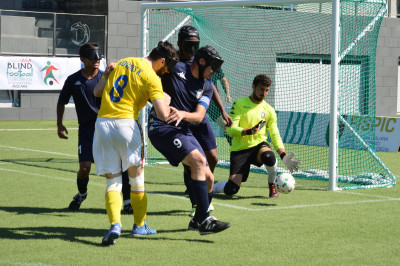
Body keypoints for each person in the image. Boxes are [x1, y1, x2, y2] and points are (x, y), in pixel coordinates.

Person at [92, 41, 178, 246]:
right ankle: (139, 226)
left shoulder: (121, 63)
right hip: (126, 126)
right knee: (136, 179)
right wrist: (166, 99)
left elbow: (97, 92)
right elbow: (163, 114)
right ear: (162, 61)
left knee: (112, 181)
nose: (166, 73)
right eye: (167, 68)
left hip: (103, 124)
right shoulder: (152, 77)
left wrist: (105, 74)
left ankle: (115, 225)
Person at [148, 45, 230, 235]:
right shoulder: (176, 68)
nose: (215, 73)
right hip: (162, 127)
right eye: (213, 69)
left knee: (209, 177)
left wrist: (183, 113)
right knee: (199, 161)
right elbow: (149, 68)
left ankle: (196, 221)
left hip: (184, 128)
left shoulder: (207, 86)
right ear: (201, 62)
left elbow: (199, 116)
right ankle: (204, 219)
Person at [56, 43, 132, 213]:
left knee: (121, 165)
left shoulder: (107, 77)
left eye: (98, 56)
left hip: (107, 128)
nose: (96, 59)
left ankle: (127, 203)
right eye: (92, 56)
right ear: (82, 58)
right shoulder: (72, 80)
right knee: (84, 168)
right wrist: (59, 124)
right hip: (86, 130)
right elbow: (61, 102)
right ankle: (82, 194)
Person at [175, 25, 233, 217]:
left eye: (196, 45)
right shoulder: (172, 63)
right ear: (179, 44)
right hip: (181, 121)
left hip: (199, 117)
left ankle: (202, 187)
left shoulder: (199, 61)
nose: (192, 50)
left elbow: (209, 86)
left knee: (213, 157)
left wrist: (223, 111)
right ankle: (196, 204)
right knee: (190, 161)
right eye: (188, 45)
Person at [213, 74, 301, 198]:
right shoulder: (239, 103)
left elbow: (275, 134)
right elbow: (230, 130)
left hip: (258, 146)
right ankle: (209, 187)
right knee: (231, 189)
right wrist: (248, 131)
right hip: (240, 150)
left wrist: (283, 155)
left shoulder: (269, 110)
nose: (264, 93)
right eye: (261, 89)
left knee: (269, 157)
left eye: (266, 90)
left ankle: (272, 183)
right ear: (253, 87)